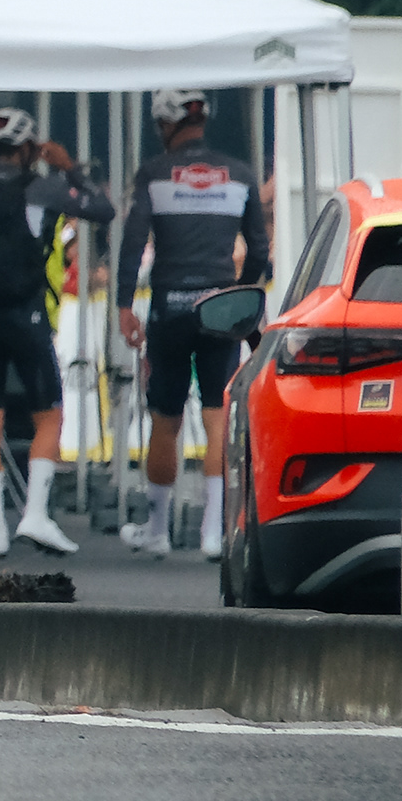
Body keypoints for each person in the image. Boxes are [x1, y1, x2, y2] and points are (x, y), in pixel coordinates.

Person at [0, 108, 113, 555]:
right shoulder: (41, 185)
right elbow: (102, 210)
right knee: (48, 414)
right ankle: (34, 514)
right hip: (23, 312)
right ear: (29, 147)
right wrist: (69, 167)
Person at [115, 88, 272, 559]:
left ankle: (158, 529)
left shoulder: (154, 173)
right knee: (217, 414)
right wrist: (236, 292)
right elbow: (261, 251)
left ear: (167, 125)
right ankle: (212, 533)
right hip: (219, 307)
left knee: (165, 418)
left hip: (168, 305)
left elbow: (131, 243)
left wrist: (124, 305)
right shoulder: (241, 175)